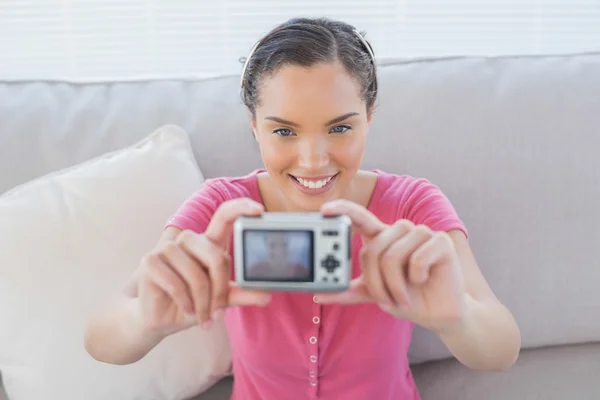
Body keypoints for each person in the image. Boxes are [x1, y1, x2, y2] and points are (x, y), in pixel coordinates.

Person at [84, 17, 521, 400]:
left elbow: (502, 349)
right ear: (255, 126)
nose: (313, 160)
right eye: (285, 132)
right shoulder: (221, 208)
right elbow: (100, 338)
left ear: (370, 116)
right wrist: (148, 319)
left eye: (340, 128)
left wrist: (456, 318)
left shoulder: (412, 204)